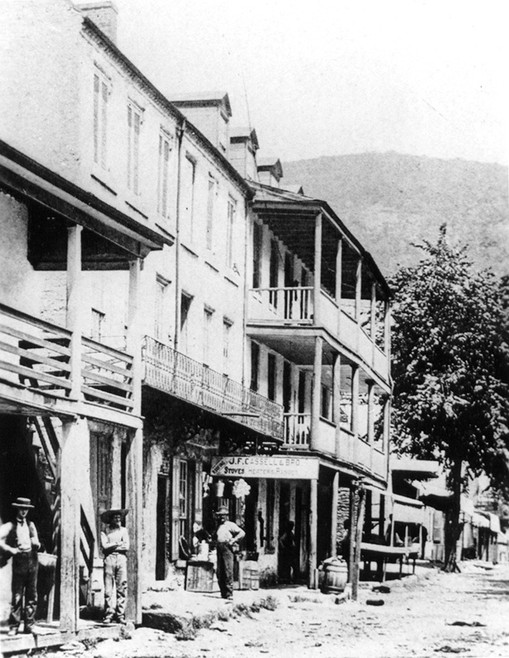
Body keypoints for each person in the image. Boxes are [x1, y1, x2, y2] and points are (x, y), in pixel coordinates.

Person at [0, 497, 40, 636]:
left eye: (26, 509)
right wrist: (10, 549)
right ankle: (14, 626)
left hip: (32, 560)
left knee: (32, 595)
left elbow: (36, 540)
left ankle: (29, 625)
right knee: (17, 595)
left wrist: (36, 543)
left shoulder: (31, 524)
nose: (24, 512)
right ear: (17, 509)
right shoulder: (11, 525)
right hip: (19, 561)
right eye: (21, 509)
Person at [100, 508, 129, 624]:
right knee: (108, 589)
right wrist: (118, 543)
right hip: (109, 559)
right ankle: (108, 614)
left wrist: (111, 545)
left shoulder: (124, 531)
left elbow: (126, 547)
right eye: (115, 517)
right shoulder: (105, 531)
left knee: (122, 587)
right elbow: (104, 546)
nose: (117, 519)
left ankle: (120, 614)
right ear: (111, 519)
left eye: (119, 517)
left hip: (121, 558)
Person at [214, 506, 245, 600]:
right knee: (220, 571)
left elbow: (242, 533)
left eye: (223, 515)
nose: (221, 517)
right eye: (220, 515)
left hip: (227, 548)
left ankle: (229, 593)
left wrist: (233, 540)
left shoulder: (230, 524)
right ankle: (223, 593)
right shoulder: (218, 525)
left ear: (227, 516)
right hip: (219, 547)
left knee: (228, 570)